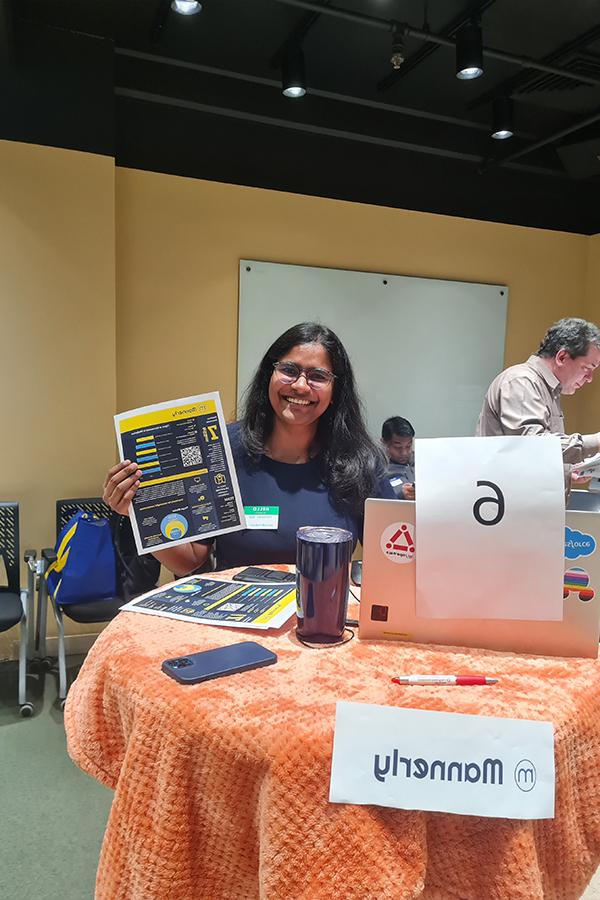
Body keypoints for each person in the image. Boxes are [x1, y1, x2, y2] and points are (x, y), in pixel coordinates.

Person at [103, 322, 395, 574]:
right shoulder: (222, 450)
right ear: (269, 374)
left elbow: (394, 561)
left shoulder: (362, 463)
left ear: (336, 391)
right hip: (236, 624)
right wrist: (141, 515)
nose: (301, 386)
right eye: (289, 370)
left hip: (321, 626)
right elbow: (190, 561)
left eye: (318, 376)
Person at [476, 317, 600, 480]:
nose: (590, 378)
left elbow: (525, 459)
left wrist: (567, 474)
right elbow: (535, 446)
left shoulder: (547, 389)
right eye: (586, 368)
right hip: (512, 503)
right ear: (561, 357)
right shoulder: (522, 382)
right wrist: (596, 441)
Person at [381, 416, 415, 500]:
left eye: (408, 446)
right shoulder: (377, 471)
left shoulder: (421, 460)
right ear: (383, 443)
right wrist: (400, 495)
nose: (404, 453)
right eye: (398, 447)